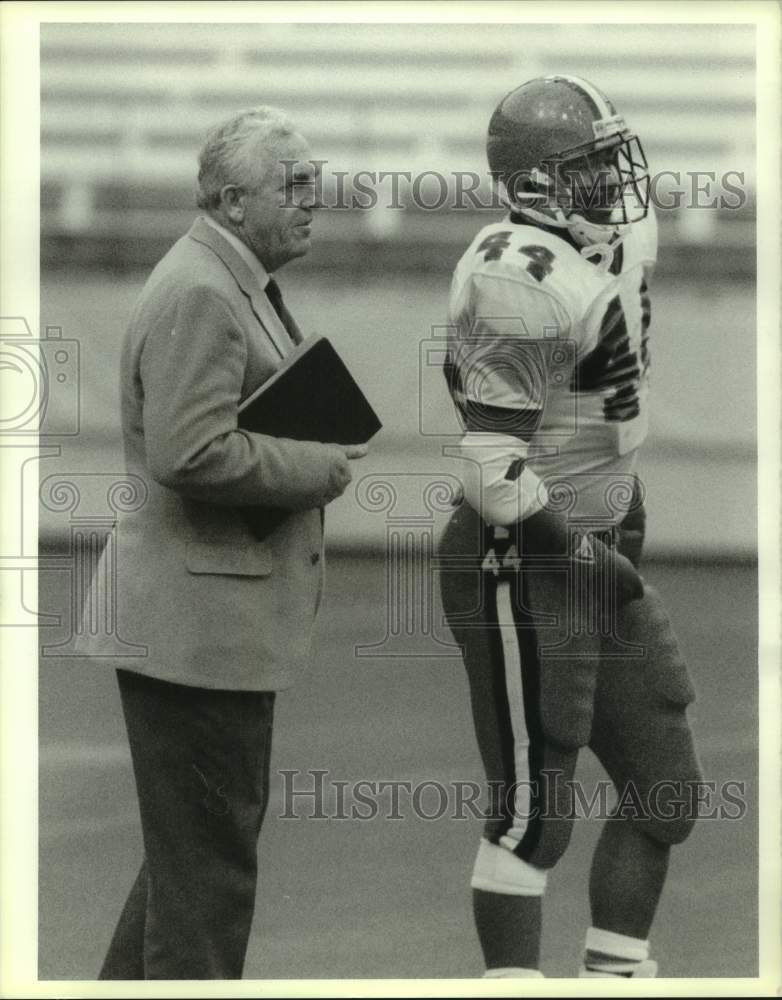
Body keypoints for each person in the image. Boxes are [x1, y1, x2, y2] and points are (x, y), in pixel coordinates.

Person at [79, 107, 367, 979]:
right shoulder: (205, 289)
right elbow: (188, 448)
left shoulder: (226, 274)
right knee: (207, 884)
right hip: (194, 637)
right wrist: (314, 465)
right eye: (295, 186)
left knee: (187, 873)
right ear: (234, 200)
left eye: (314, 181)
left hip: (204, 630)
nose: (315, 200)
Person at [437, 75, 702, 978]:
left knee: (663, 789)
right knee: (534, 811)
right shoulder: (512, 277)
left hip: (598, 543)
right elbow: (488, 465)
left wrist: (619, 521)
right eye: (591, 165)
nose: (616, 180)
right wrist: (581, 546)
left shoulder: (613, 236)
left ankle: (615, 978)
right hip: (520, 553)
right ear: (535, 183)